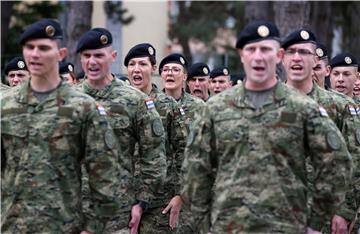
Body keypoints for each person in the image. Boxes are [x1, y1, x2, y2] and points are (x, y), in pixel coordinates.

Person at [180, 20, 352, 234]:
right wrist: (203, 223)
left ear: (279, 55)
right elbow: (195, 169)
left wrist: (316, 222)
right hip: (229, 227)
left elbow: (336, 164)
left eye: (265, 49)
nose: (258, 56)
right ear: (242, 55)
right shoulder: (216, 109)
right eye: (251, 49)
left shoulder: (303, 107)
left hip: (286, 227)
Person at [1, 18, 126, 234]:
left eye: (43, 48)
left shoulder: (83, 108)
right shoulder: (5, 106)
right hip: (13, 226)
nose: (35, 54)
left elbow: (105, 174)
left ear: (61, 54)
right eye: (29, 48)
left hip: (64, 225)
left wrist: (93, 227)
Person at [76, 28, 167, 234]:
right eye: (86, 56)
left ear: (113, 56)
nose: (92, 62)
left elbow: (154, 156)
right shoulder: (66, 100)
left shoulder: (134, 100)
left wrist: (142, 203)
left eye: (99, 55)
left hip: (118, 215)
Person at [281, 28, 360, 234]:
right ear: (281, 58)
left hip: (323, 216)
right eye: (292, 52)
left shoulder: (339, 106)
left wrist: (345, 211)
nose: (298, 59)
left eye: (305, 53)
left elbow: (354, 159)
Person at [124, 43, 187, 233]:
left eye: (142, 64)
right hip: (123, 200)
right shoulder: (119, 104)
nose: (136, 69)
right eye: (132, 64)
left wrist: (180, 196)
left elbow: (184, 152)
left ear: (152, 68)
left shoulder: (167, 105)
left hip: (159, 203)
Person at [159, 53, 206, 131]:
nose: (169, 73)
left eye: (176, 70)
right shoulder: (152, 105)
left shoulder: (198, 106)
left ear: (184, 77)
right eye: (165, 70)